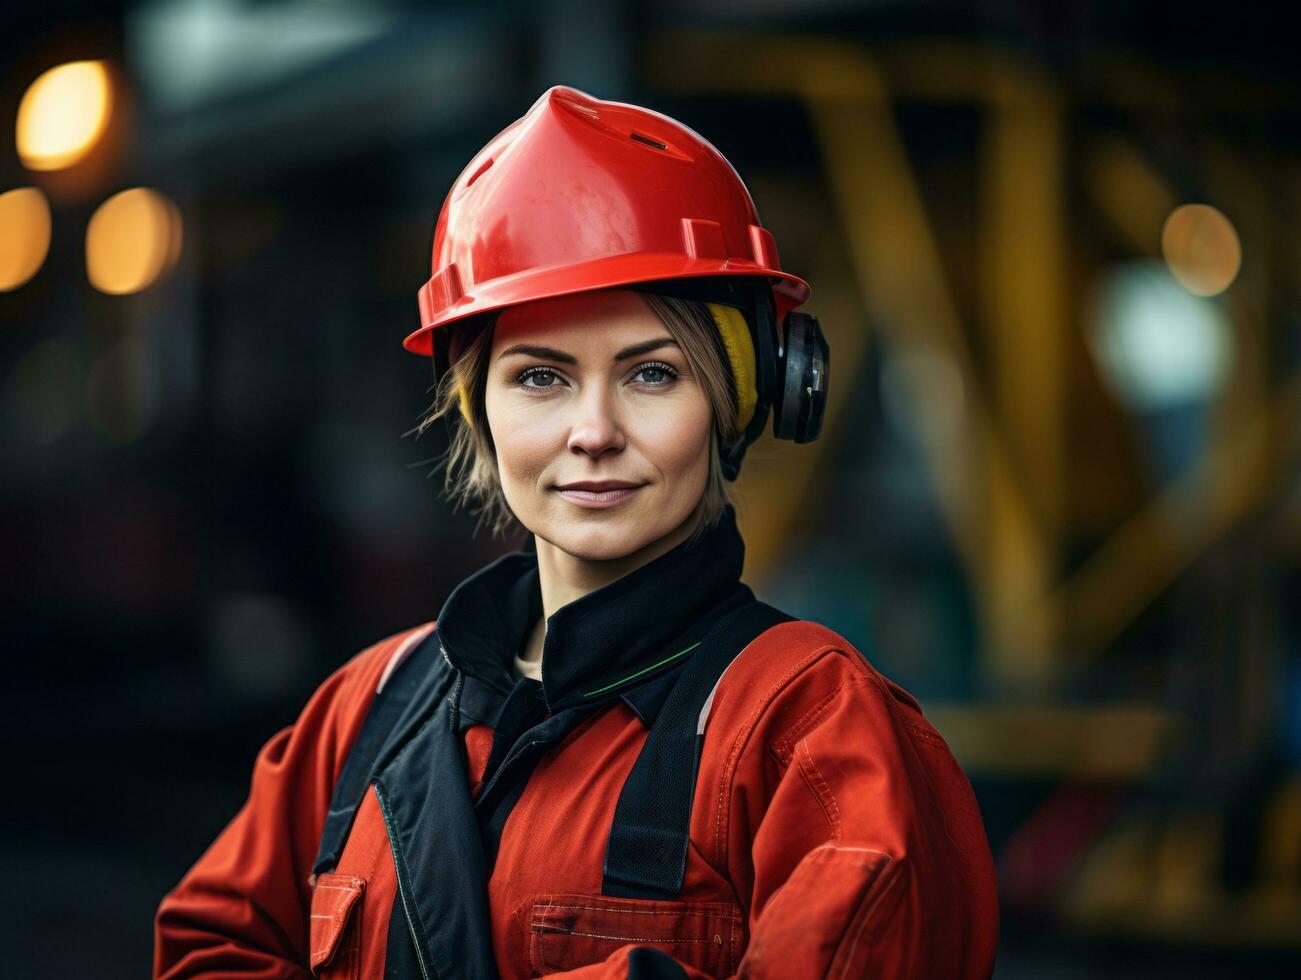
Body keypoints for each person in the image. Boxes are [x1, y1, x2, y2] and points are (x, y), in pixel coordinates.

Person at [154, 85, 998, 979]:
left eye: (651, 375)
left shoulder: (815, 735)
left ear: (748, 400)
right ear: (476, 411)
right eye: (540, 378)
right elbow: (212, 947)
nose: (592, 432)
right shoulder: (365, 710)